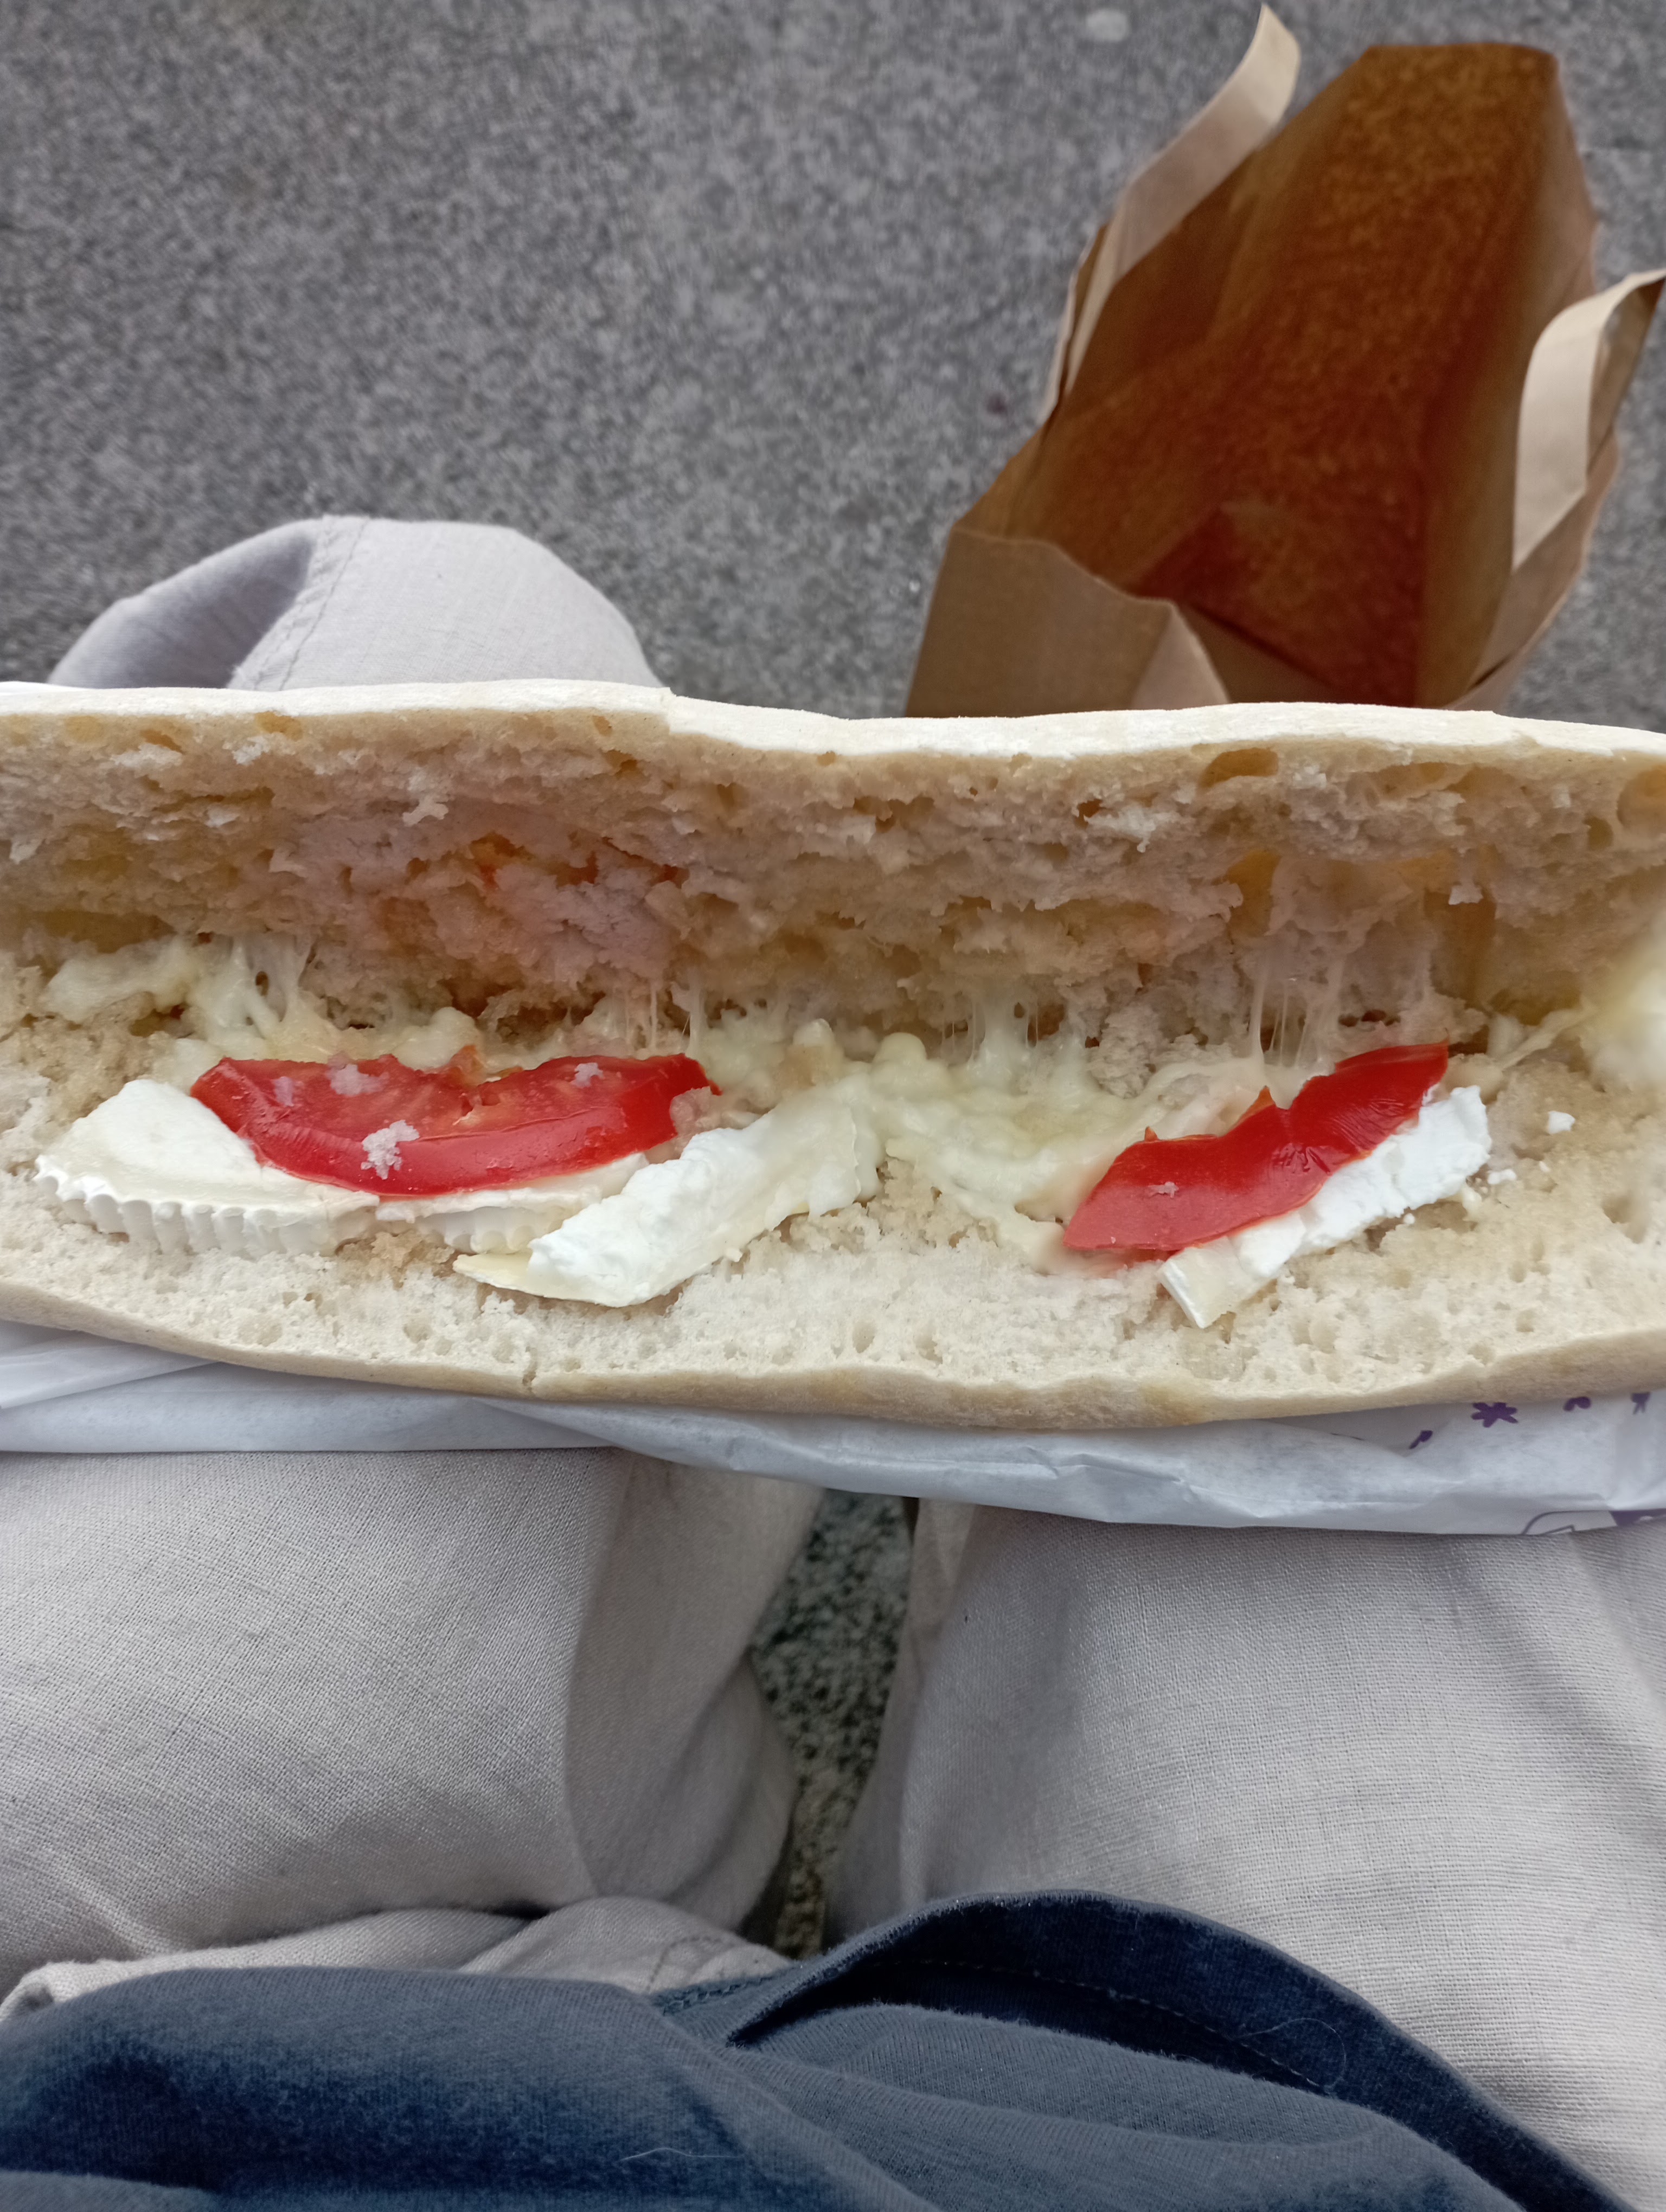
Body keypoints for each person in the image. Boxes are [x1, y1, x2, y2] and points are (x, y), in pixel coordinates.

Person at [0, 521, 1657, 2208]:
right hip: (1318, 2112)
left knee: (445, 604)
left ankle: (693, 1821)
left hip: (132, 2057)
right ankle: (719, 1822)